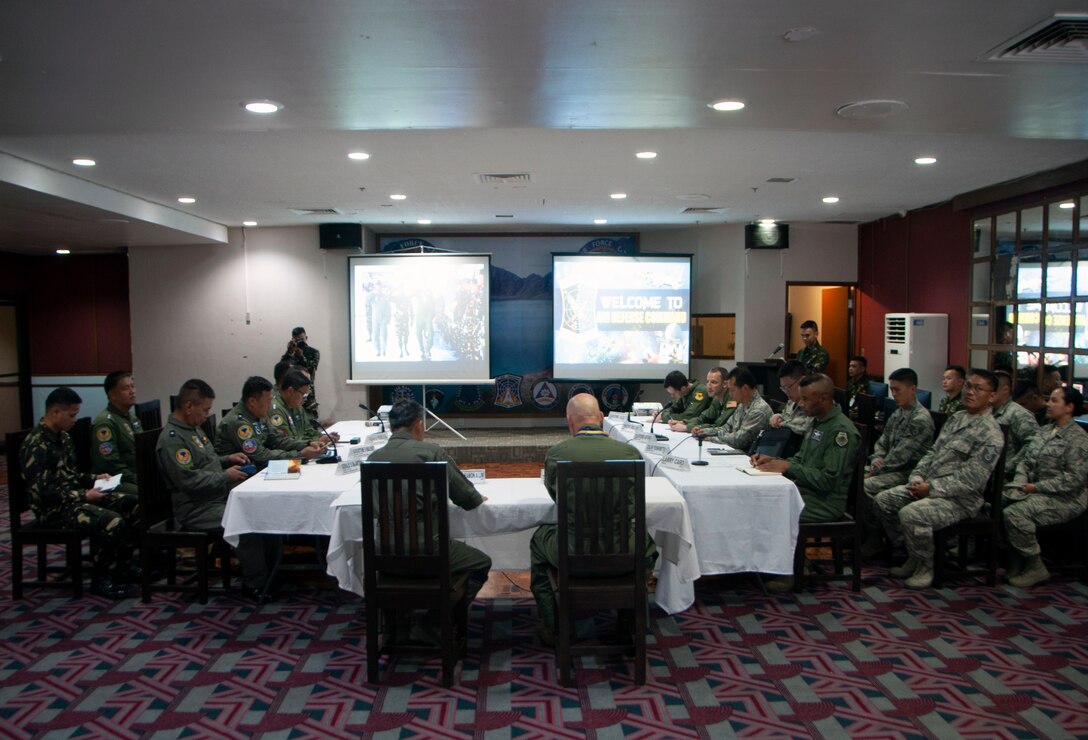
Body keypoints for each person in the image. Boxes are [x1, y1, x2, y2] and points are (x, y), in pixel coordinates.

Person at [530, 393, 650, 646]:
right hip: (622, 552)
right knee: (647, 544)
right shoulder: (630, 454)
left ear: (569, 420)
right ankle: (631, 619)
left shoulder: (557, 453)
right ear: (602, 419)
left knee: (539, 540)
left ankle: (554, 627)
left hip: (572, 552)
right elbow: (633, 501)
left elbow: (557, 498)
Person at [368, 400, 492, 639]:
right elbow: (466, 497)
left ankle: (398, 625)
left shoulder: (373, 459)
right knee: (480, 563)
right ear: (419, 425)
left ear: (392, 426)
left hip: (385, 554)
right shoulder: (431, 453)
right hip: (429, 551)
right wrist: (476, 496)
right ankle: (435, 622)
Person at [873, 369, 1004, 589]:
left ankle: (926, 566)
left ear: (991, 396)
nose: (970, 392)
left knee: (912, 513)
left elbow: (972, 479)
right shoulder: (957, 418)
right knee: (884, 500)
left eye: (978, 388)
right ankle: (913, 554)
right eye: (968, 386)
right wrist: (917, 477)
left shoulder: (991, 434)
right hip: (928, 486)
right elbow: (933, 452)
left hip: (960, 500)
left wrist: (930, 489)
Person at [156, 379, 279, 604]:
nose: (206, 415)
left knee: (263, 508)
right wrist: (226, 475)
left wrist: (226, 459)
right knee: (246, 521)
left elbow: (207, 462)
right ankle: (255, 583)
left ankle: (271, 572)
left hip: (215, 496)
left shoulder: (192, 429)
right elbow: (189, 481)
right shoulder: (173, 440)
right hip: (196, 507)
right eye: (205, 410)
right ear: (189, 407)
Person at [20, 387, 139, 599]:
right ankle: (100, 579)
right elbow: (44, 493)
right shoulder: (36, 444)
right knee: (111, 521)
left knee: (132, 504)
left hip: (73, 499)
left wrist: (95, 479)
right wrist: (83, 495)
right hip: (53, 510)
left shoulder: (63, 437)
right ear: (55, 412)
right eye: (72, 414)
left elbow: (70, 475)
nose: (76, 419)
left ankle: (123, 567)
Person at [751, 374, 859, 592]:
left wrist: (789, 468)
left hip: (825, 502)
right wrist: (776, 461)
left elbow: (828, 480)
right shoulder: (817, 422)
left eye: (807, 399)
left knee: (777, 510)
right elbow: (801, 458)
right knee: (761, 501)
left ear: (825, 398)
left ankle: (790, 571)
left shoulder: (841, 431)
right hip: (805, 491)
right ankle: (773, 563)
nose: (801, 403)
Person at [1002, 386, 1088, 588]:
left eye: (1054, 401)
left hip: (1066, 498)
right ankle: (1016, 559)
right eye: (1049, 400)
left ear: (1069, 407)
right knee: (997, 503)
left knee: (1015, 513)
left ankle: (1034, 565)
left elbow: (1073, 479)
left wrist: (1036, 487)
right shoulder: (1044, 431)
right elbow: (1025, 460)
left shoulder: (1078, 439)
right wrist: (1021, 482)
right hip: (1033, 489)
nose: (1048, 404)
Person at [861, 368, 935, 555]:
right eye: (892, 390)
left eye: (898, 390)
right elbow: (882, 443)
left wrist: (874, 471)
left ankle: (887, 539)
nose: (894, 394)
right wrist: (877, 458)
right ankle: (862, 533)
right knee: (851, 478)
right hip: (889, 468)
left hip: (908, 473)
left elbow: (901, 456)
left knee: (866, 486)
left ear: (912, 389)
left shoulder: (920, 419)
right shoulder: (899, 413)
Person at [214, 376, 325, 468]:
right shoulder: (239, 423)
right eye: (268, 401)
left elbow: (277, 439)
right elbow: (260, 456)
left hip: (259, 468)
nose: (271, 405)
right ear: (252, 402)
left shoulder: (259, 414)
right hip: (241, 476)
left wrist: (307, 444)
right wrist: (300, 454)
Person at [90, 370, 142, 496]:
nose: (132, 391)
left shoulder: (132, 418)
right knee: (147, 493)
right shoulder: (105, 424)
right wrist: (135, 478)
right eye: (126, 388)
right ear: (112, 395)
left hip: (134, 474)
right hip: (114, 479)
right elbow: (109, 463)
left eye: (132, 386)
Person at [268, 369, 338, 447]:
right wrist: (313, 441)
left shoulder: (296, 406)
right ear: (290, 391)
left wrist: (322, 437)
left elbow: (308, 430)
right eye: (303, 394)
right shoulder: (276, 410)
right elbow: (285, 442)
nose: (305, 398)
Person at [709, 367, 772, 451]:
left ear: (745, 388)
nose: (730, 395)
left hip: (750, 456)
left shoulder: (759, 410)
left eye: (732, 390)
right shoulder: (742, 405)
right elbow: (727, 428)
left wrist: (711, 438)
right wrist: (705, 432)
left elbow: (739, 440)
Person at [991, 370, 1039, 477]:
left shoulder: (1018, 414)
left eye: (993, 389)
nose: (990, 393)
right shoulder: (987, 411)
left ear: (1005, 390)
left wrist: (1010, 466)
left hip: (1007, 476)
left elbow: (1033, 445)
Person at [673, 367, 734, 434]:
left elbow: (719, 425)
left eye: (714, 382)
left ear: (725, 384)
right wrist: (684, 422)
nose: (709, 386)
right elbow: (703, 418)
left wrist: (687, 427)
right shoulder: (716, 398)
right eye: (707, 381)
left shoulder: (732, 399)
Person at [281, 327, 320, 416]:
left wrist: (301, 356)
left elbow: (310, 370)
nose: (300, 342)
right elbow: (282, 369)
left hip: (307, 394)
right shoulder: (291, 353)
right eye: (297, 339)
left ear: (306, 338)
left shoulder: (313, 352)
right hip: (292, 393)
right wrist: (290, 351)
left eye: (302, 339)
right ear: (293, 339)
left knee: (310, 421)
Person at [768, 360, 810, 435]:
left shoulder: (814, 403)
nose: (786, 392)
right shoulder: (791, 402)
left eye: (788, 387)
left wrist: (783, 424)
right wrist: (777, 417)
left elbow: (807, 428)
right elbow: (786, 417)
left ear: (802, 380)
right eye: (783, 388)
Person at [846, 355, 868, 420]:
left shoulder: (867, 384)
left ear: (862, 369)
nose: (850, 369)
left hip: (859, 415)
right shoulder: (850, 382)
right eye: (850, 366)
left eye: (854, 366)